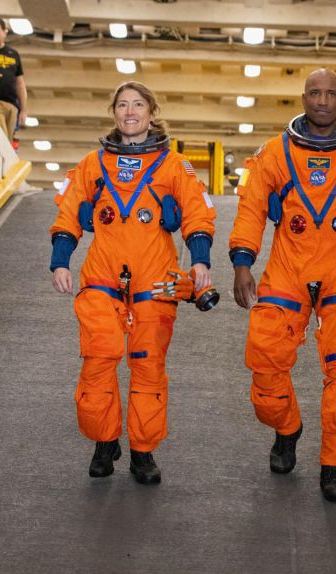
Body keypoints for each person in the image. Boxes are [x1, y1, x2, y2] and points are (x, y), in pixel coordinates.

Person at [229, 69, 336, 503]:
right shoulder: (274, 152)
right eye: (314, 93)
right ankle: (287, 428)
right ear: (303, 97)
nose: (322, 100)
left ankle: (334, 465)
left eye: (331, 93)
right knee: (265, 363)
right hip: (287, 269)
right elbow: (251, 207)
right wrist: (242, 261)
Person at [49, 81, 216, 485]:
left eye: (138, 104)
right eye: (122, 105)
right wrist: (60, 262)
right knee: (98, 359)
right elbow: (68, 211)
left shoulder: (174, 166)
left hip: (155, 281)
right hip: (102, 277)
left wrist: (200, 261)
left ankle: (143, 450)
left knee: (147, 367)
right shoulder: (93, 164)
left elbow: (197, 213)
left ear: (152, 113)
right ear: (113, 112)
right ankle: (104, 441)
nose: (129, 112)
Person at [0, 17, 27, 142]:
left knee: (8, 142)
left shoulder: (13, 54)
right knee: (1, 137)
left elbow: (20, 84)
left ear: (5, 32)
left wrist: (23, 110)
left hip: (11, 105)